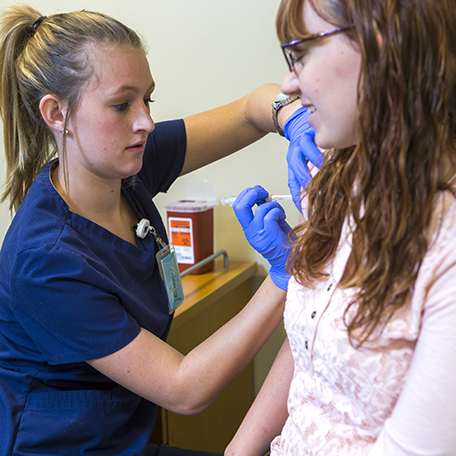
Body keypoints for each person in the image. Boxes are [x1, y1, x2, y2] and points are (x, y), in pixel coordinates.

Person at [0, 5, 308, 455]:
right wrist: (284, 274)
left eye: (148, 99)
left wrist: (293, 119)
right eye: (122, 104)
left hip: (126, 435)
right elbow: (185, 390)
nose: (144, 120)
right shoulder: (45, 259)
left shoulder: (125, 167)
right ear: (56, 113)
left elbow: (251, 110)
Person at [226, 0, 456, 455]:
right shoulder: (337, 174)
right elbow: (314, 359)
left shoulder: (444, 243)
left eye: (300, 54)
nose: (289, 83)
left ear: (380, 49)